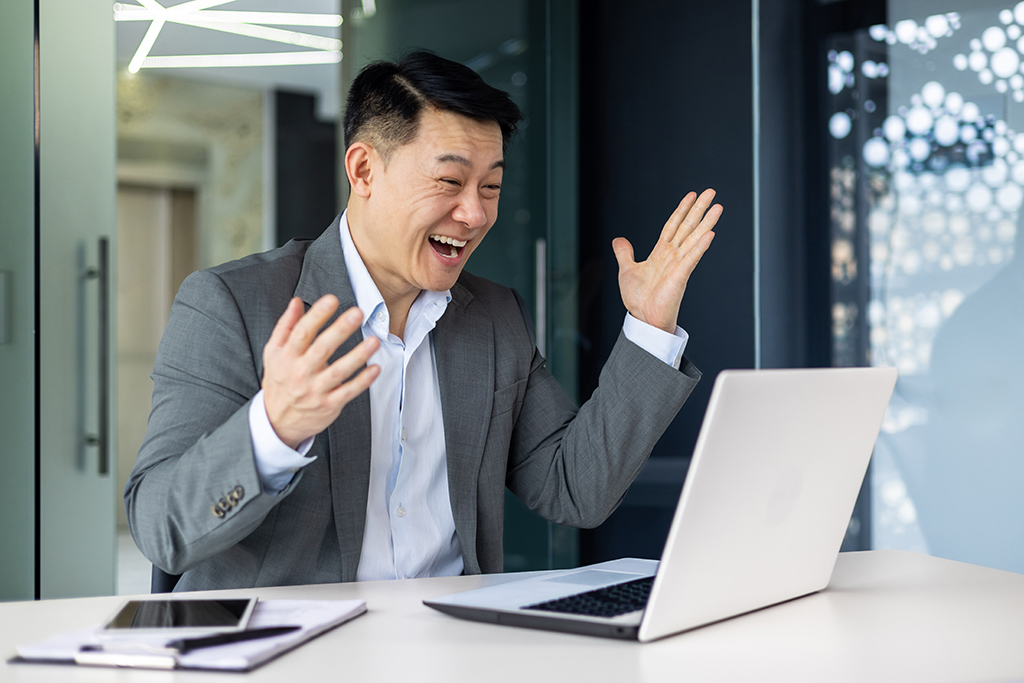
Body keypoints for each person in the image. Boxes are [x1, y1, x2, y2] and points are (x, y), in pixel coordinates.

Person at [125, 51, 721, 591]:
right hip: (291, 648)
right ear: (363, 172)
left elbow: (574, 488)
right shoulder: (231, 304)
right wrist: (274, 428)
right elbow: (161, 529)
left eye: (491, 187)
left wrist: (649, 326)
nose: (474, 213)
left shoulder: (494, 319)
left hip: (455, 644)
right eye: (449, 181)